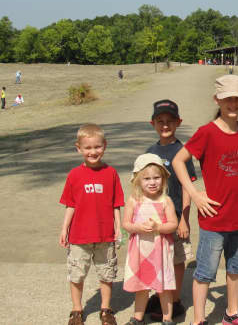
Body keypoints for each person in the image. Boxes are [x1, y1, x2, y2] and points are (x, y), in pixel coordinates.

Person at [173, 74, 238, 325]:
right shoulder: (207, 133)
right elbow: (179, 160)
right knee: (204, 272)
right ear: (217, 100)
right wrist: (194, 193)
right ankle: (199, 319)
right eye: (228, 100)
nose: (233, 104)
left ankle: (232, 313)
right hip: (213, 219)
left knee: (236, 269)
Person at [59, 124, 124, 325]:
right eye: (87, 148)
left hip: (105, 236)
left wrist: (118, 228)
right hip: (79, 237)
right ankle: (77, 310)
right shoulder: (74, 175)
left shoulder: (111, 173)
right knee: (77, 274)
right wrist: (64, 229)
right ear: (78, 148)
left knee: (107, 273)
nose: (93, 152)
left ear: (104, 146)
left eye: (97, 147)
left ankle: (106, 309)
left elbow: (116, 205)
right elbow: (70, 205)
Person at [144, 99, 197, 321]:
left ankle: (174, 300)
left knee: (177, 259)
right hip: (155, 219)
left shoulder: (183, 151)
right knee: (157, 259)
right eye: (160, 121)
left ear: (178, 122)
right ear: (153, 123)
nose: (165, 126)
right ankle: (160, 296)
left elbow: (188, 187)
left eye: (170, 121)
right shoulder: (150, 152)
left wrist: (184, 219)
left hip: (175, 217)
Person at [122, 154, 178, 325]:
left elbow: (173, 224)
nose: (152, 182)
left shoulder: (165, 201)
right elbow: (126, 224)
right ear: (138, 180)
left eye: (156, 177)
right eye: (146, 178)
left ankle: (167, 318)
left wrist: (159, 228)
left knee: (164, 288)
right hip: (140, 250)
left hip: (159, 251)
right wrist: (138, 227)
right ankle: (138, 317)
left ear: (163, 178)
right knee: (141, 286)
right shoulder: (134, 200)